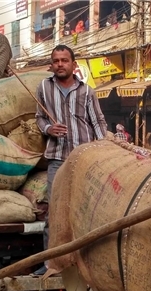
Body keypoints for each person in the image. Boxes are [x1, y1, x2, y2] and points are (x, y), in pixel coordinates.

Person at [34, 44, 108, 275]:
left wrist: (104, 150)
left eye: (64, 60)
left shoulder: (87, 92)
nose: (60, 64)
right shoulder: (44, 88)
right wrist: (49, 129)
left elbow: (98, 123)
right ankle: (50, 264)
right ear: (51, 64)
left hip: (83, 160)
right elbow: (38, 118)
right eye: (56, 60)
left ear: (73, 65)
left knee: (85, 211)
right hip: (57, 158)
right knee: (54, 213)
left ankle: (86, 263)